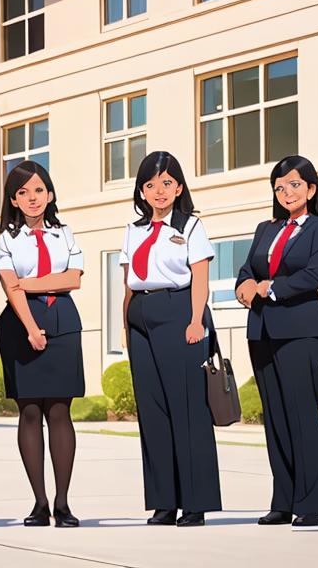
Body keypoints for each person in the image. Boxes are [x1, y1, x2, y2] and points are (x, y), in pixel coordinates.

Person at [235, 155, 318, 528]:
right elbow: (247, 270)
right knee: (275, 418)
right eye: (279, 187)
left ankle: (308, 504)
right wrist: (245, 285)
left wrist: (271, 287)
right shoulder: (267, 228)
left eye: (294, 185)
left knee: (302, 415)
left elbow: (316, 274)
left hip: (301, 330)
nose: (286, 193)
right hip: (261, 331)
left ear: (311, 188)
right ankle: (282, 500)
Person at [120, 151, 221, 527]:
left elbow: (200, 278)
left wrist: (196, 321)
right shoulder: (134, 230)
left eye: (166, 183)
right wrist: (126, 329)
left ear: (179, 187)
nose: (158, 191)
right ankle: (164, 502)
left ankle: (195, 502)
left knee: (187, 409)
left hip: (180, 314)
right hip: (141, 319)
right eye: (150, 184)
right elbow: (128, 283)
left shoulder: (191, 228)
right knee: (153, 412)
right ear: (141, 191)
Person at [0, 160, 84, 527]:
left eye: (39, 190)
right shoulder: (4, 239)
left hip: (63, 321)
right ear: (13, 199)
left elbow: (74, 279)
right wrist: (31, 327)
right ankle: (40, 503)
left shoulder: (64, 233)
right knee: (29, 412)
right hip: (20, 324)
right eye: (23, 192)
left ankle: (63, 503)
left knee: (60, 412)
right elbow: (8, 287)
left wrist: (28, 283)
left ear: (50, 194)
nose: (33, 198)